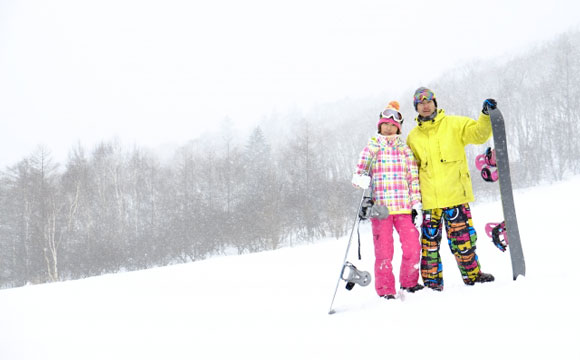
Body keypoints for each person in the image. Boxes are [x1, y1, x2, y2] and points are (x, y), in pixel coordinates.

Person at [406, 87, 497, 291]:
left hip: (455, 196)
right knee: (429, 248)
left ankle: (473, 275)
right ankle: (432, 285)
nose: (426, 105)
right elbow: (411, 171)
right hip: (429, 203)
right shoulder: (413, 138)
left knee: (463, 241)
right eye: (421, 103)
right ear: (416, 107)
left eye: (429, 101)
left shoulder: (455, 124)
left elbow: (479, 134)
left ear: (435, 103)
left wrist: (485, 115)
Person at [351, 101, 424, 299]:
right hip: (381, 210)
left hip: (403, 207)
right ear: (380, 126)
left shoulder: (405, 150)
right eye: (385, 124)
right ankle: (386, 291)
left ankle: (409, 282)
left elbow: (413, 179)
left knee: (413, 248)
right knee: (384, 253)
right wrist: (361, 178)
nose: (389, 128)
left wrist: (416, 204)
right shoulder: (372, 147)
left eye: (393, 125)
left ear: (398, 128)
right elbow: (358, 176)